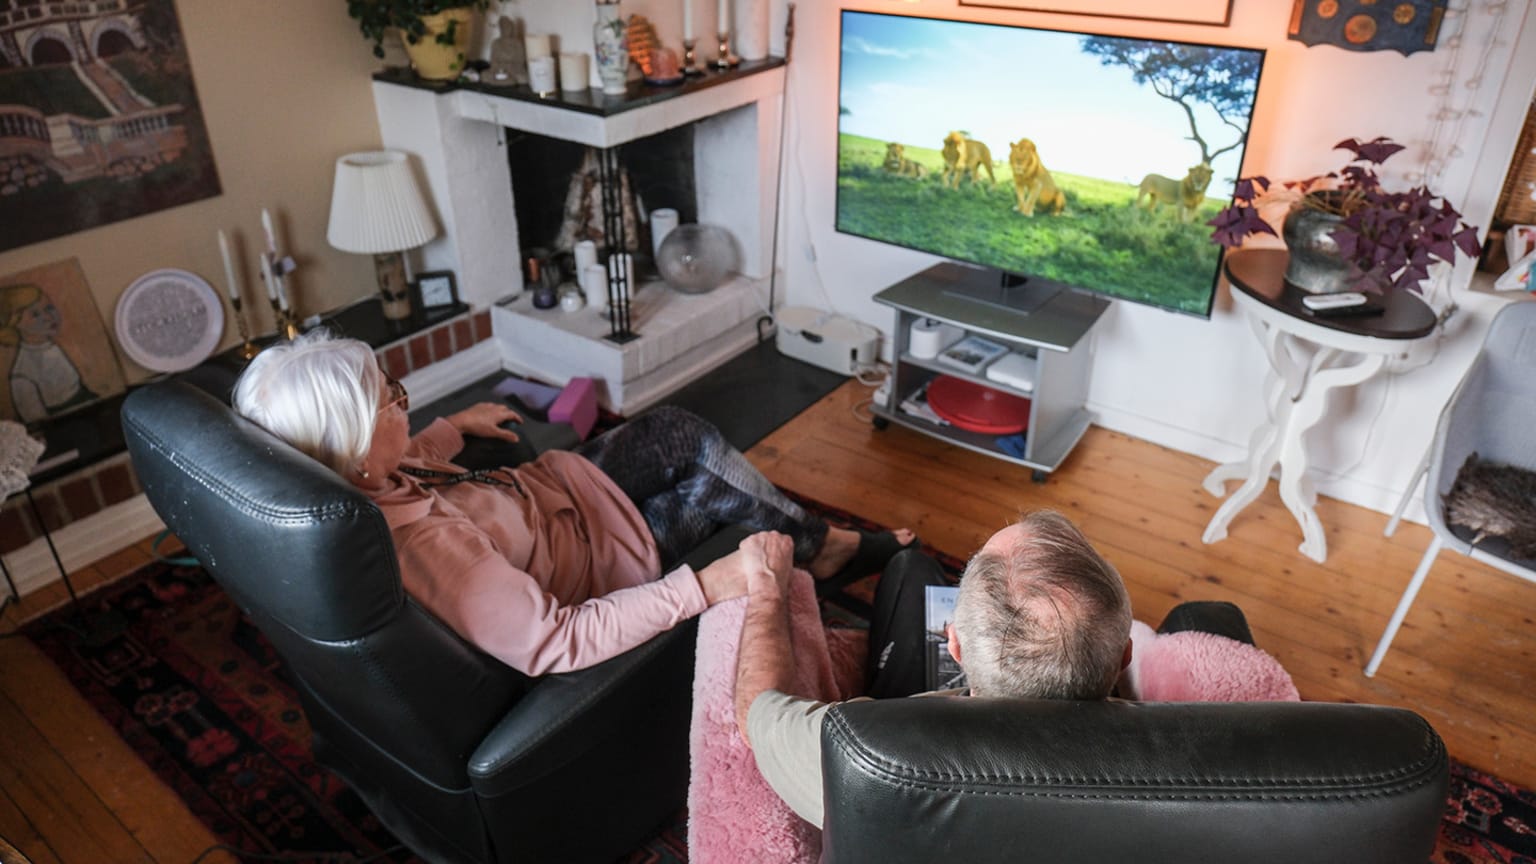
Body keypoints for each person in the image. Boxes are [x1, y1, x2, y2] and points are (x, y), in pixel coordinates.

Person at [231, 329, 914, 676]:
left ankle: (819, 546)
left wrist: (450, 427)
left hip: (561, 491)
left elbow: (411, 464)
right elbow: (554, 641)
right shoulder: (430, 553)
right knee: (710, 480)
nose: (404, 402)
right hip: (604, 558)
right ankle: (824, 550)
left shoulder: (357, 478)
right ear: (350, 449)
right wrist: (703, 586)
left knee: (678, 429)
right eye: (392, 401)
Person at [734, 509, 1253, 830]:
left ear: (953, 646)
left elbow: (756, 712)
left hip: (916, 744)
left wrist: (766, 587)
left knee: (912, 567)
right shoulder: (1207, 769)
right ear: (1124, 656)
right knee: (1207, 617)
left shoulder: (866, 750)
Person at [1, 283, 97, 423]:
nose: (48, 317)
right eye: (35, 314)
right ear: (15, 322)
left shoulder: (50, 347)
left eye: (49, 308)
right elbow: (38, 421)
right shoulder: (22, 375)